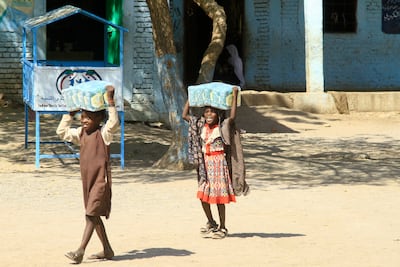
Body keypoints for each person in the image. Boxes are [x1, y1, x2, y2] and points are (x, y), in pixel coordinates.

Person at [56, 85, 119, 264]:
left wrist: (111, 102)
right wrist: (68, 114)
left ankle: (80, 250)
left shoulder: (104, 134)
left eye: (88, 117)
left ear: (99, 118)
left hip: (101, 181)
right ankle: (107, 249)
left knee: (91, 214)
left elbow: (114, 123)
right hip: (87, 181)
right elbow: (61, 132)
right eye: (82, 117)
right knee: (92, 214)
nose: (84, 120)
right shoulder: (80, 133)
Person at [183, 86, 248, 239]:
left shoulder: (223, 126)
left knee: (219, 198)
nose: (209, 114)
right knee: (203, 196)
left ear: (218, 114)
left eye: (212, 112)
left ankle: (223, 227)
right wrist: (190, 97)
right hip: (205, 165)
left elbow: (232, 117)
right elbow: (184, 115)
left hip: (219, 165)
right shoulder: (200, 125)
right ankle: (211, 222)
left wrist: (234, 94)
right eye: (206, 112)